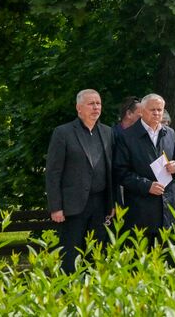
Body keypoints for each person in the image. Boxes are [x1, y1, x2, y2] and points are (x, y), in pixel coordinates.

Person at [45, 89, 115, 272]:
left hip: (100, 205)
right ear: (79, 108)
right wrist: (56, 207)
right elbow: (53, 172)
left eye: (98, 103)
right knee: (70, 256)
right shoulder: (63, 132)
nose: (96, 107)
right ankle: (70, 296)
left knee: (97, 254)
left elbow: (111, 171)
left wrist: (113, 202)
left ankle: (92, 294)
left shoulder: (108, 132)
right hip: (72, 206)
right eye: (91, 103)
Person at [113, 93, 175, 243]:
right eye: (152, 109)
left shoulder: (170, 133)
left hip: (167, 209)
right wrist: (147, 185)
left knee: (167, 259)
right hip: (141, 209)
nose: (157, 113)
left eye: (160, 110)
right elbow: (120, 172)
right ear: (142, 111)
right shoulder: (127, 137)